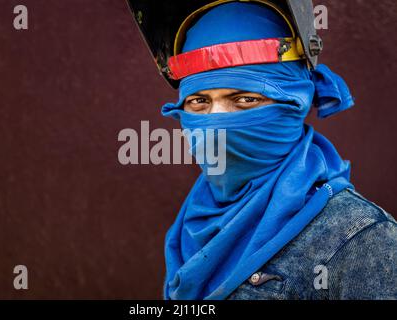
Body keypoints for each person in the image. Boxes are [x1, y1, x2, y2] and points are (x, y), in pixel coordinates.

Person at [160, 1, 397, 300]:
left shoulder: (362, 238)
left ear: (294, 105)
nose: (216, 125)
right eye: (198, 102)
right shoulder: (191, 225)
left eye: (245, 99)